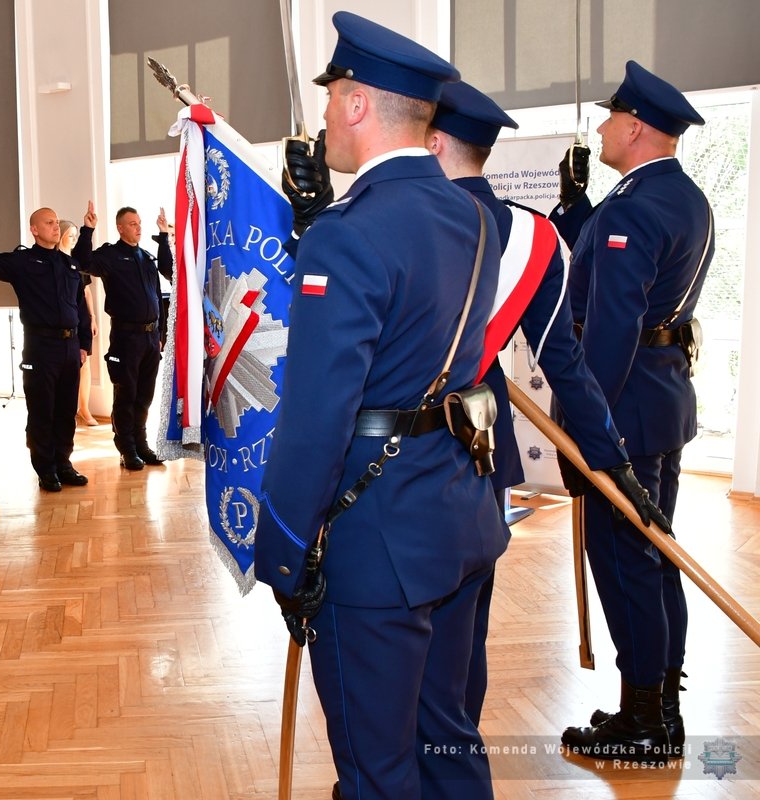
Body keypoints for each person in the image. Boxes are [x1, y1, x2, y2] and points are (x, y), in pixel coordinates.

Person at [254, 14, 505, 799]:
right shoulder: (474, 215)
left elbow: (315, 418)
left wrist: (284, 552)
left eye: (332, 97)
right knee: (449, 743)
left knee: (377, 770)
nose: (325, 114)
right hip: (456, 514)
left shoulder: (347, 234)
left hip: (376, 544)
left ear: (358, 103)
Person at [426, 80, 667, 728]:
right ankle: (454, 763)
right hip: (482, 454)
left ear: (432, 140)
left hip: (403, 465)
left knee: (393, 663)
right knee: (460, 656)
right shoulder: (532, 237)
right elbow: (568, 365)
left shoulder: (404, 225)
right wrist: (611, 461)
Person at [547, 61, 713, 762]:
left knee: (627, 564)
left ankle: (643, 720)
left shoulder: (633, 211)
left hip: (623, 413)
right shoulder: (680, 199)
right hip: (661, 400)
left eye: (612, 117)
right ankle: (659, 706)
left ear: (637, 128)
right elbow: (621, 274)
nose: (603, 127)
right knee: (655, 557)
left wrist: (588, 431)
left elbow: (610, 332)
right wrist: (579, 206)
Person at [0, 200, 92, 492]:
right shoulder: (22, 262)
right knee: (42, 410)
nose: (55, 226)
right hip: (41, 346)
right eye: (49, 222)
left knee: (66, 410)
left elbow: (80, 307)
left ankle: (63, 463)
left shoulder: (69, 263)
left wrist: (84, 344)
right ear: (34, 230)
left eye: (57, 221)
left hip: (70, 346)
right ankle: (46, 468)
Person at [74, 205, 173, 469]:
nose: (138, 227)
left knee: (144, 395)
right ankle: (126, 448)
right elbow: (81, 262)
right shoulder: (110, 256)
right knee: (126, 395)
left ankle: (141, 444)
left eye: (140, 223)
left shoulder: (146, 257)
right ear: (120, 227)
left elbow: (167, 275)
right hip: (125, 338)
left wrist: (163, 236)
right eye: (132, 224)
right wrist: (88, 230)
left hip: (151, 339)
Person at [60, 220, 99, 427]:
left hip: (81, 320)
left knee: (85, 365)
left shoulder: (78, 262)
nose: (74, 239)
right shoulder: (56, 261)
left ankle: (84, 408)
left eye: (76, 235)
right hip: (65, 322)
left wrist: (92, 318)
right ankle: (70, 409)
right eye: (71, 235)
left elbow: (86, 292)